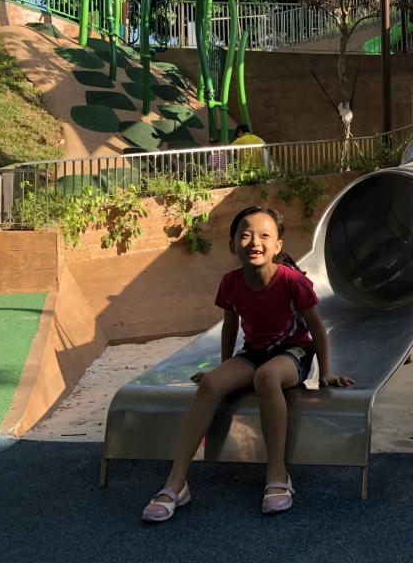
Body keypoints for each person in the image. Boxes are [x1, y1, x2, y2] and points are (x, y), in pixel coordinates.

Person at [141, 206, 354, 522]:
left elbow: (317, 327)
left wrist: (326, 373)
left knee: (267, 378)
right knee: (212, 384)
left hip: (294, 354)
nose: (255, 241)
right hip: (254, 352)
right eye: (245, 235)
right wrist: (223, 370)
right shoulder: (231, 283)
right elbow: (230, 326)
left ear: (278, 245)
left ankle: (278, 473)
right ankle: (176, 482)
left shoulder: (292, 282)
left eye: (265, 235)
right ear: (232, 245)